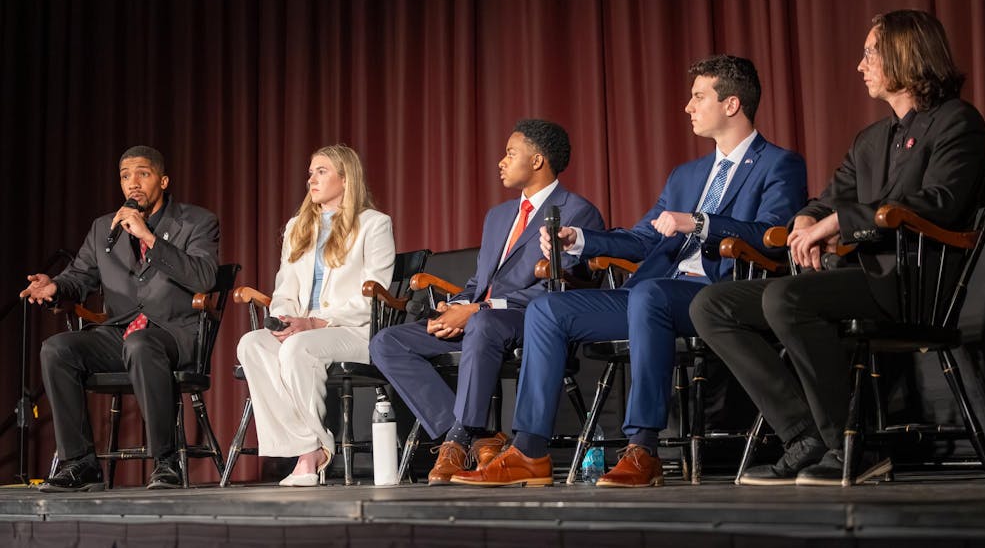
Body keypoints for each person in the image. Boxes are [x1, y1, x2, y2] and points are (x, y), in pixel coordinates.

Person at [451, 55, 807, 487]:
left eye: (698, 97)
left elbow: (770, 232)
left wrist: (698, 223)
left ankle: (643, 448)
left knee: (650, 295)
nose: (688, 107)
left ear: (731, 104)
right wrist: (578, 240)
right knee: (547, 309)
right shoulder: (686, 175)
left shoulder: (779, 164)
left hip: (719, 294)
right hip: (652, 295)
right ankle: (529, 451)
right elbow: (641, 239)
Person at [690, 10, 985, 486]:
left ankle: (849, 448)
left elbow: (940, 203)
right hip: (863, 277)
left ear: (904, 55)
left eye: (870, 52)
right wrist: (809, 217)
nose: (860, 65)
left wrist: (839, 222)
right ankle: (805, 437)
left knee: (784, 297)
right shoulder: (871, 138)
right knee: (712, 305)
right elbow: (829, 195)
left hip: (913, 281)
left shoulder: (957, 122)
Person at [369, 119, 604, 484]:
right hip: (480, 321)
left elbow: (559, 287)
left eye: (511, 153)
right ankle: (476, 435)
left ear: (538, 160)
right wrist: (455, 306)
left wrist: (477, 310)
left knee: (481, 323)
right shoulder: (497, 217)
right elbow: (480, 282)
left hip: (531, 321)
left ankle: (458, 439)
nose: (501, 161)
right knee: (386, 342)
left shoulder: (576, 211)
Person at [21, 146, 220, 491]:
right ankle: (81, 463)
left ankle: (166, 462)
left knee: (141, 344)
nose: (133, 184)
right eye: (126, 176)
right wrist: (55, 286)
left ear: (163, 180)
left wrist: (148, 237)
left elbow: (203, 277)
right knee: (56, 349)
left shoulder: (196, 222)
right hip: (121, 332)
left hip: (174, 333)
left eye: (142, 174)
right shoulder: (103, 229)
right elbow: (79, 276)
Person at [236, 144, 395, 486]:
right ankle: (311, 445)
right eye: (310, 172)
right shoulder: (298, 227)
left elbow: (374, 295)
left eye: (321, 171)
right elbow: (284, 290)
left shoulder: (373, 225)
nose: (312, 179)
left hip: (352, 330)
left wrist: (315, 322)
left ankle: (310, 456)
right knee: (252, 344)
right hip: (305, 329)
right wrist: (283, 320)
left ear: (345, 177)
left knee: (298, 348)